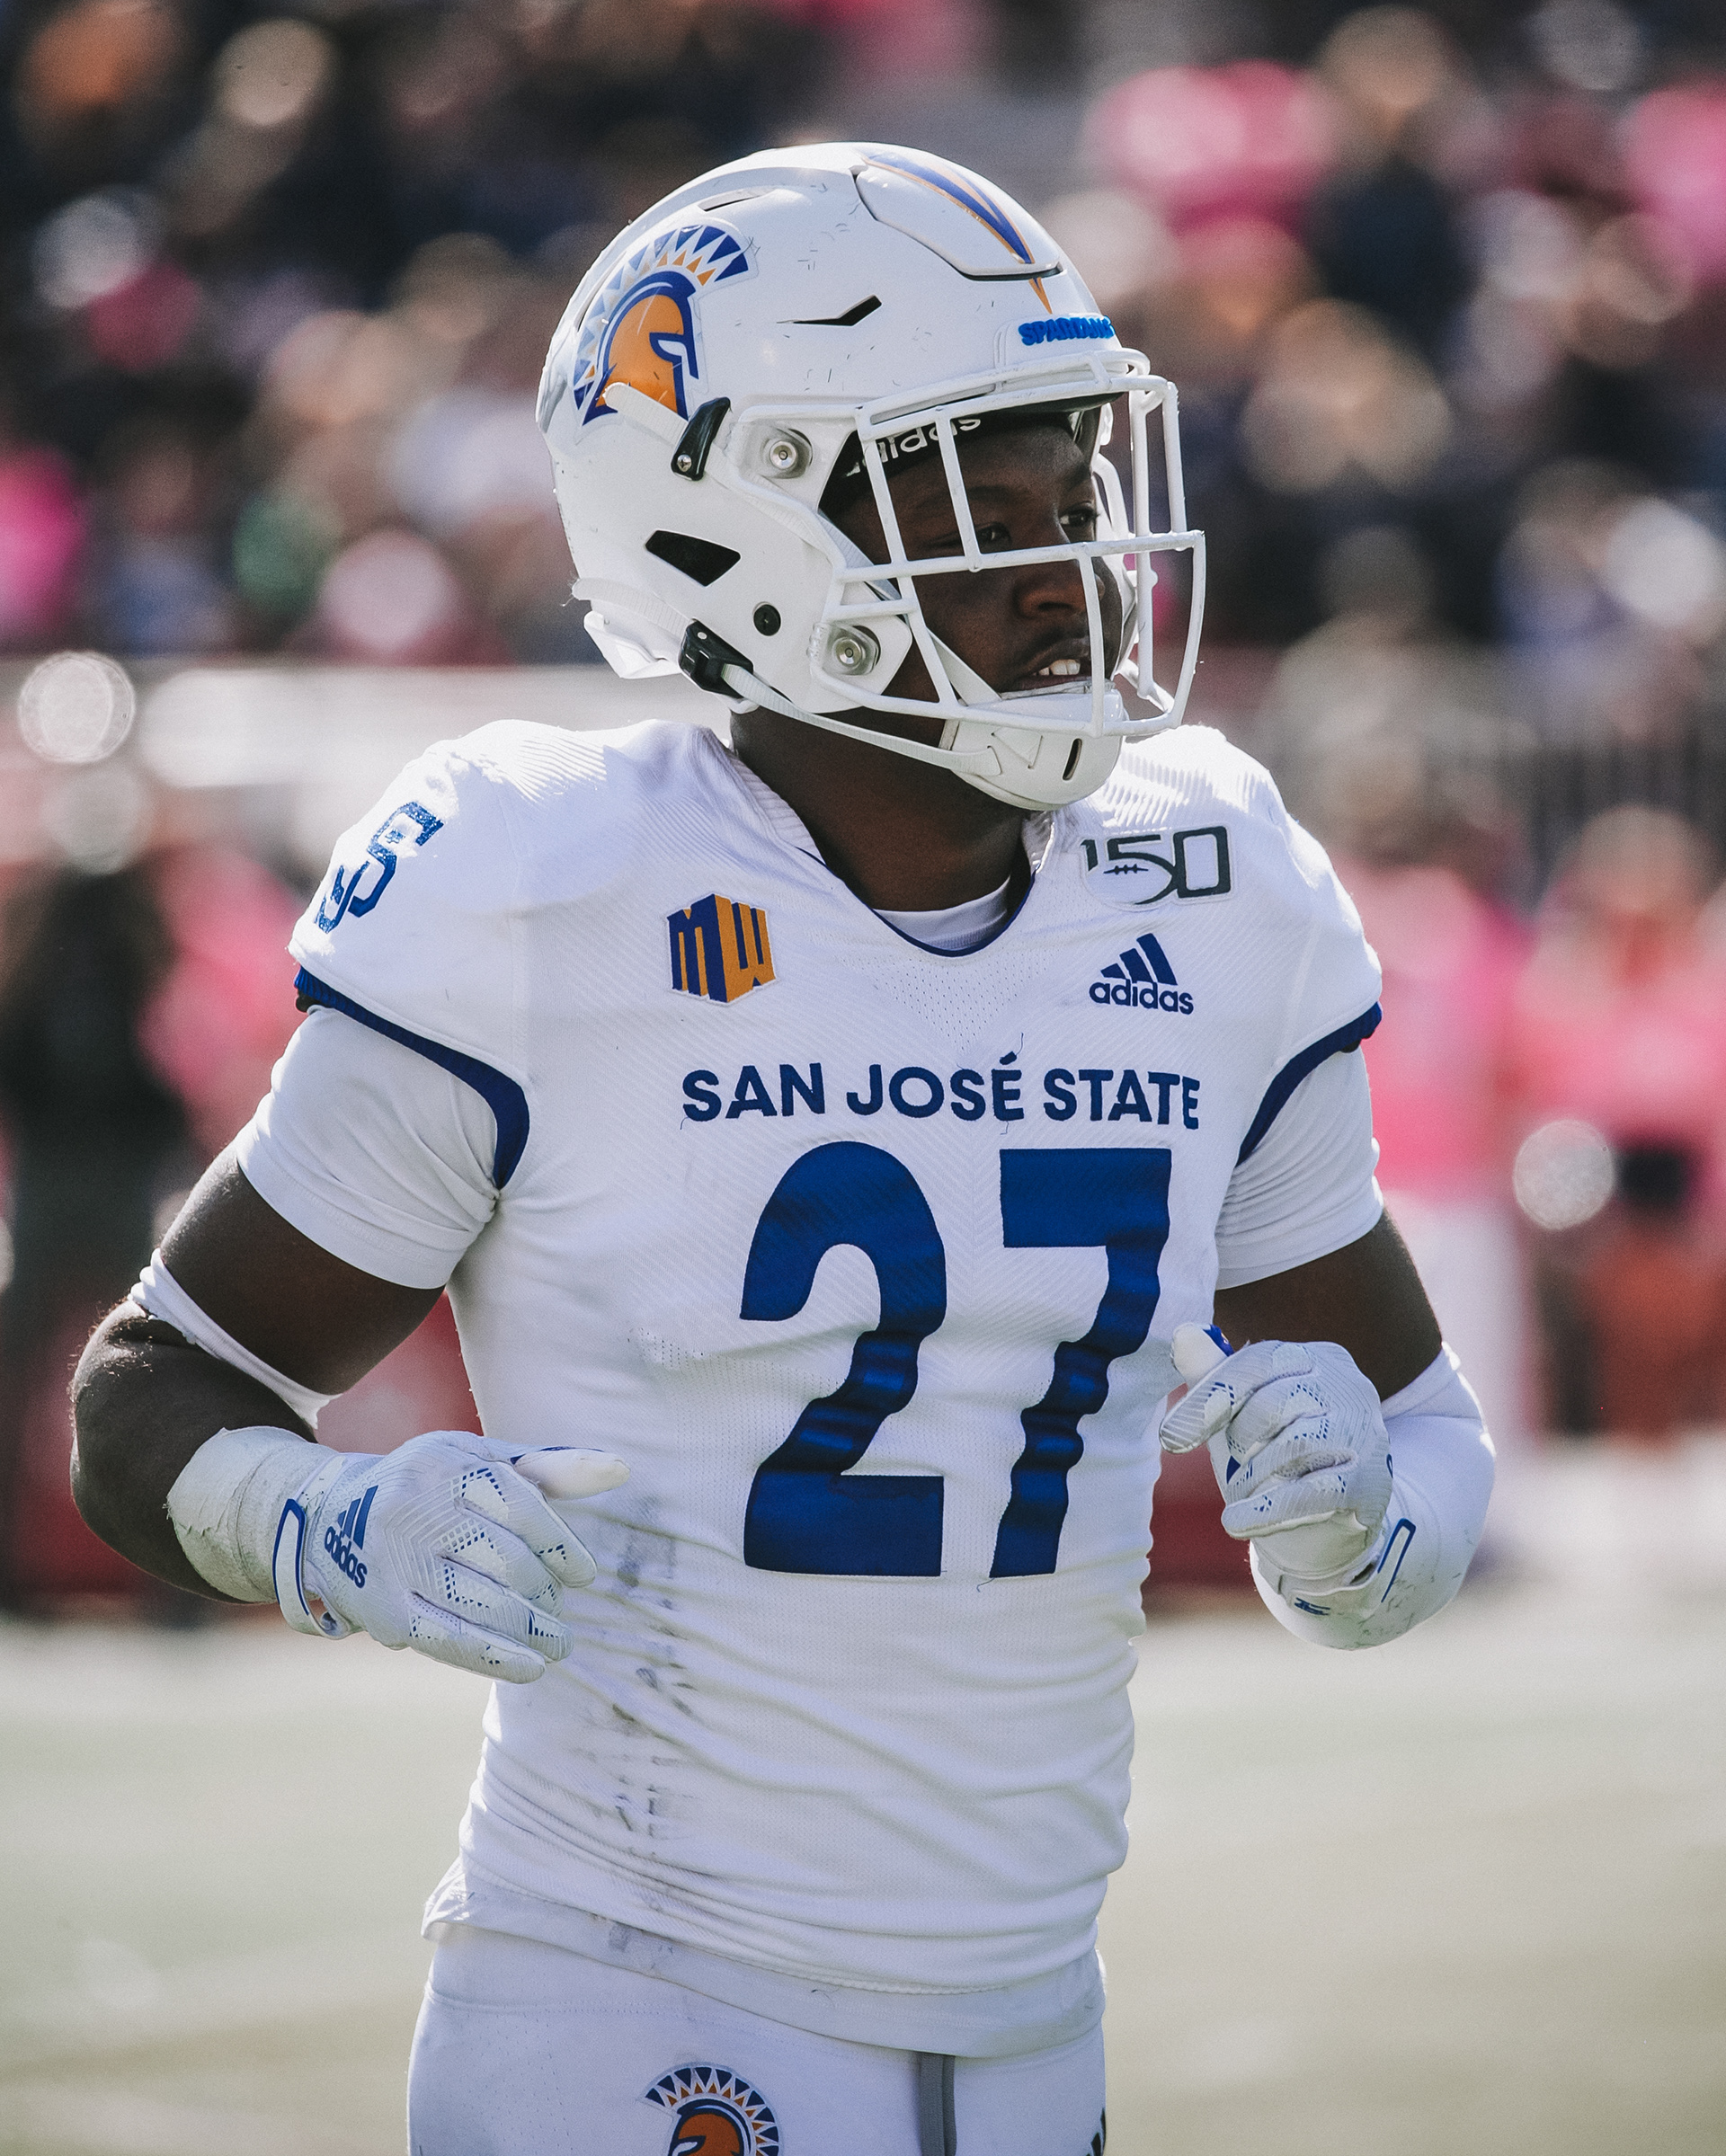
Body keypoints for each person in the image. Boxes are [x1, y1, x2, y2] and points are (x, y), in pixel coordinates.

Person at [70, 145, 1495, 2156]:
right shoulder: (548, 883)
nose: (1074, 572)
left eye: (1075, 496)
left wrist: (1365, 1535)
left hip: (1037, 2034)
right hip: (627, 2008)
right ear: (747, 538)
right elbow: (152, 1398)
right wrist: (324, 1526)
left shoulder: (1212, 881)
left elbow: (1429, 1434)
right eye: (983, 512)